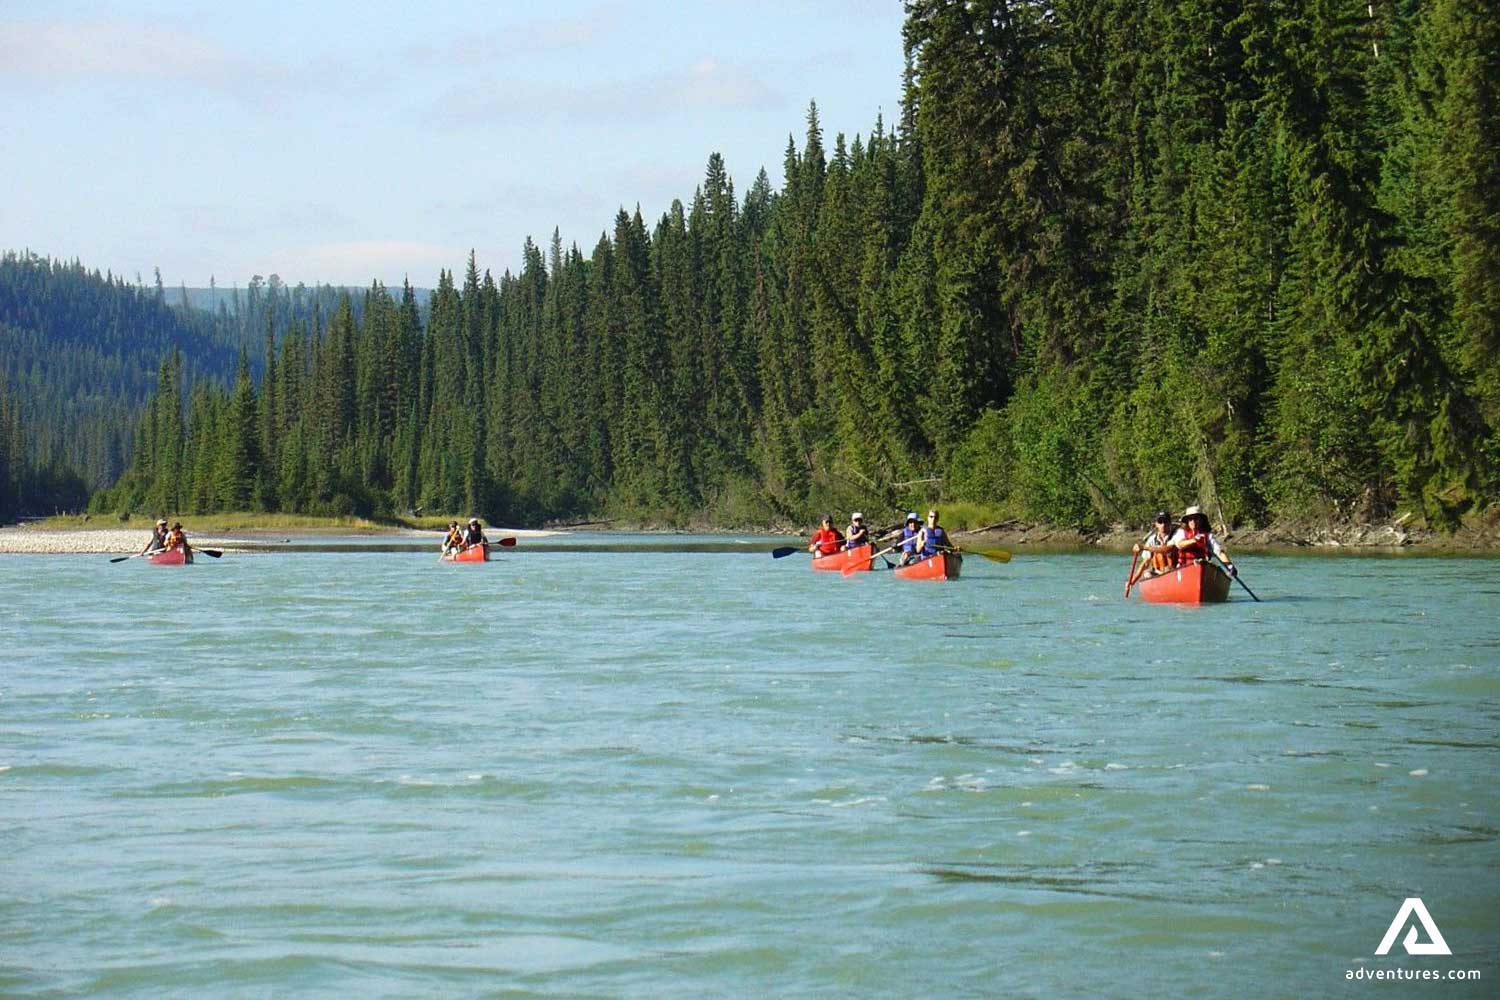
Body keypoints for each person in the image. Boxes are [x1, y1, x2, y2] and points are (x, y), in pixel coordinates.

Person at [1153, 505, 1237, 576]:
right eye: (1190, 519)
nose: (1193, 521)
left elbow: (1219, 552)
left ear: (1201, 520)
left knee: (1212, 567)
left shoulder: (1208, 535)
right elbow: (1179, 545)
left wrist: (1229, 565)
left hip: (1203, 569)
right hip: (1183, 568)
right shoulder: (1180, 533)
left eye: (1196, 518)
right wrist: (1194, 540)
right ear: (1187, 521)